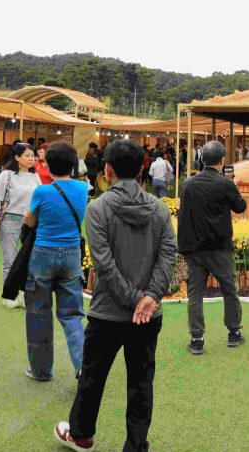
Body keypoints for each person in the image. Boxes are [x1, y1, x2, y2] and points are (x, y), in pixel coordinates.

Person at [54, 139, 176, 452]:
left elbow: (104, 264)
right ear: (142, 169)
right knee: (141, 383)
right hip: (148, 314)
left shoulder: (98, 208)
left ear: (107, 170)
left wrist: (137, 299)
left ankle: (81, 435)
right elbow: (168, 254)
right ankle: (136, 445)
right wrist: (149, 297)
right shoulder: (159, 208)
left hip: (108, 311)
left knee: (93, 376)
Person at [23, 141, 88, 382]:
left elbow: (31, 220)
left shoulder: (42, 191)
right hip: (71, 253)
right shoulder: (82, 188)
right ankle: (83, 366)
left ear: (48, 165)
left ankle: (41, 370)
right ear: (73, 165)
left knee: (38, 312)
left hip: (43, 252)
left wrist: (29, 219)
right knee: (71, 314)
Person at [177, 140, 247, 355]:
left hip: (194, 249)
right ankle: (234, 333)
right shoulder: (226, 184)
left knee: (195, 293)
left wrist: (183, 247)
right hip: (219, 248)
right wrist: (233, 185)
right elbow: (240, 207)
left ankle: (197, 339)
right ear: (222, 160)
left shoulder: (188, 184)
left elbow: (183, 216)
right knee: (229, 290)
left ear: (201, 159)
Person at [0, 142, 41, 308]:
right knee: (10, 259)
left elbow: (39, 199)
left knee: (28, 260)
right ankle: (9, 295)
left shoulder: (35, 176)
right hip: (10, 220)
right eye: (27, 156)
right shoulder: (7, 175)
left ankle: (24, 294)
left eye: (33, 156)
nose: (31, 159)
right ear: (17, 157)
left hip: (30, 222)